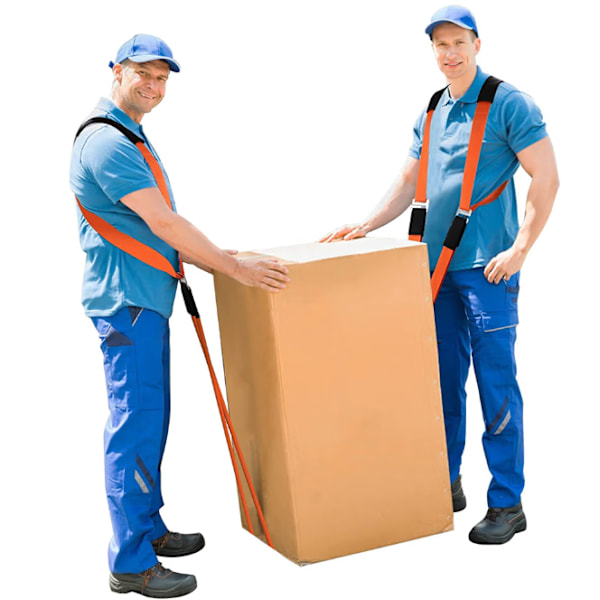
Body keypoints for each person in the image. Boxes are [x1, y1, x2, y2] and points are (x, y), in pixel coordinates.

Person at [321, 6, 558, 544]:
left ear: (477, 44)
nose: (450, 53)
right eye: (440, 45)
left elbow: (546, 176)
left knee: (496, 385)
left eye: (458, 42)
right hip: (434, 271)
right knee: (441, 383)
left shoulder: (509, 103)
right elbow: (410, 181)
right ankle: (445, 482)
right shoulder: (433, 109)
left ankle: (507, 503)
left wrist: (520, 249)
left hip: (488, 269)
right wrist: (366, 223)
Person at [70, 34, 290, 597]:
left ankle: (148, 529)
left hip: (145, 303)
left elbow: (154, 226)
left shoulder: (131, 135)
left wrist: (218, 255)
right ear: (116, 70)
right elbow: (164, 223)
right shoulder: (107, 142)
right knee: (134, 426)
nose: (153, 85)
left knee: (152, 421)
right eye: (143, 73)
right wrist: (232, 269)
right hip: (127, 306)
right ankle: (131, 561)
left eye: (162, 78)